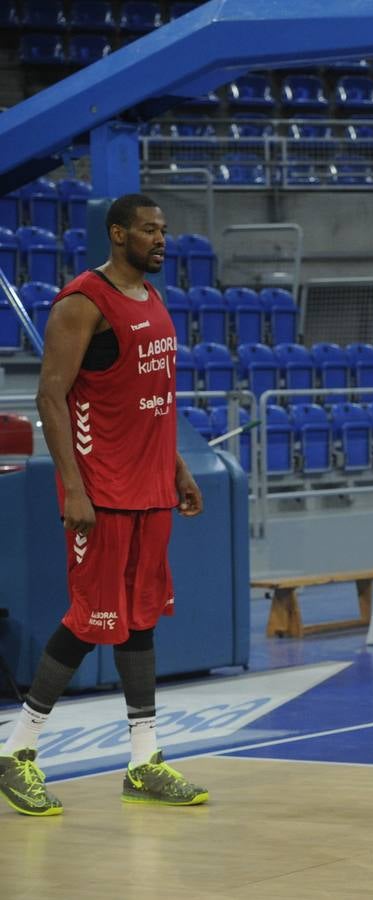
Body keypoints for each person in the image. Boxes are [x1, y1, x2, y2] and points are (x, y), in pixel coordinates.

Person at [0, 193, 207, 817]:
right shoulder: (82, 302)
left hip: (151, 488)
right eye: (147, 230)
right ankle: (16, 751)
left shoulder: (154, 299)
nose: (160, 239)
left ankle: (143, 761)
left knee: (140, 618)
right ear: (117, 234)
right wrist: (73, 487)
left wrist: (177, 468)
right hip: (103, 490)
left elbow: (157, 400)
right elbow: (50, 396)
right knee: (91, 618)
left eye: (163, 229)